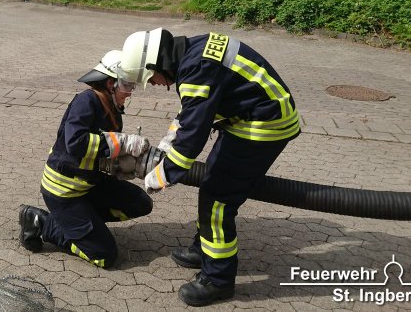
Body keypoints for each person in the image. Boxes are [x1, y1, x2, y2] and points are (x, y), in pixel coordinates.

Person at [115, 28, 300, 306]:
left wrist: (161, 176)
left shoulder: (196, 68)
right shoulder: (193, 49)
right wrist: (167, 144)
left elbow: (193, 137)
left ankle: (218, 280)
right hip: (248, 116)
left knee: (217, 201)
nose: (154, 84)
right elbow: (192, 112)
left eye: (150, 78)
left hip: (263, 125)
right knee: (213, 182)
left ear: (156, 63)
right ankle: (204, 249)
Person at [18, 50, 153, 268]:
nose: (130, 92)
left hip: (89, 185)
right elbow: (76, 142)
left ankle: (84, 225)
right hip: (65, 193)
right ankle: (43, 224)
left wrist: (121, 166)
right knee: (104, 256)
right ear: (111, 83)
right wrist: (123, 143)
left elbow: (97, 154)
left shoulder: (112, 109)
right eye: (127, 85)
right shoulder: (87, 101)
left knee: (141, 203)